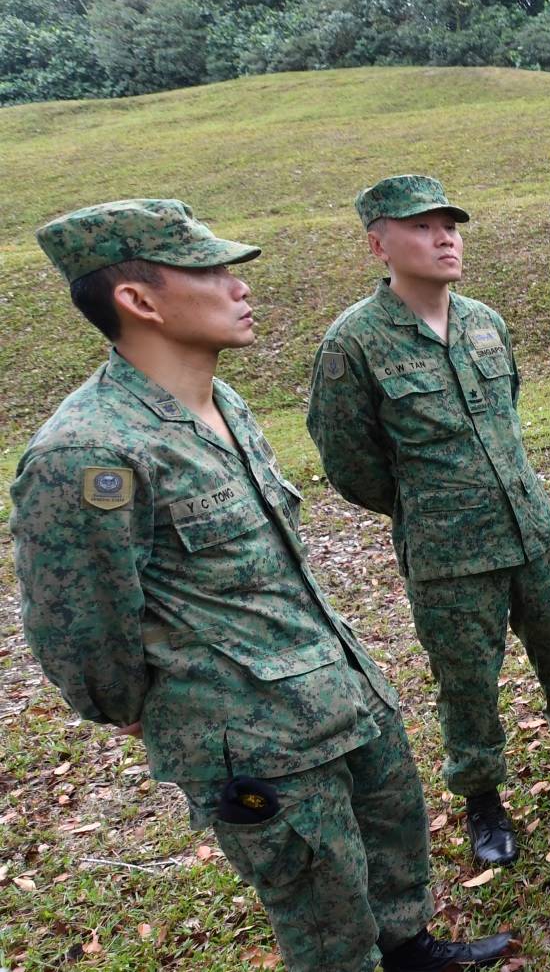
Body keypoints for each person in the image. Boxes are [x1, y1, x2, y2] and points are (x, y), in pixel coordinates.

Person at [12, 200, 511, 972]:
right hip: (254, 741)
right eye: (210, 272)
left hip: (335, 687)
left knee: (389, 848)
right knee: (325, 919)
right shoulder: (88, 452)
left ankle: (411, 949)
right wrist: (162, 708)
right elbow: (82, 630)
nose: (238, 286)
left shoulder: (223, 404)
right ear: (138, 300)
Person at [307, 175, 550, 869]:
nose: (445, 239)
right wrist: (426, 503)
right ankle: (483, 798)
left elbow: (506, 411)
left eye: (450, 226)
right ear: (379, 245)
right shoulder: (354, 343)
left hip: (528, 527)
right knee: (466, 679)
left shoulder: (484, 321)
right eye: (423, 227)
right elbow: (349, 461)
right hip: (449, 551)